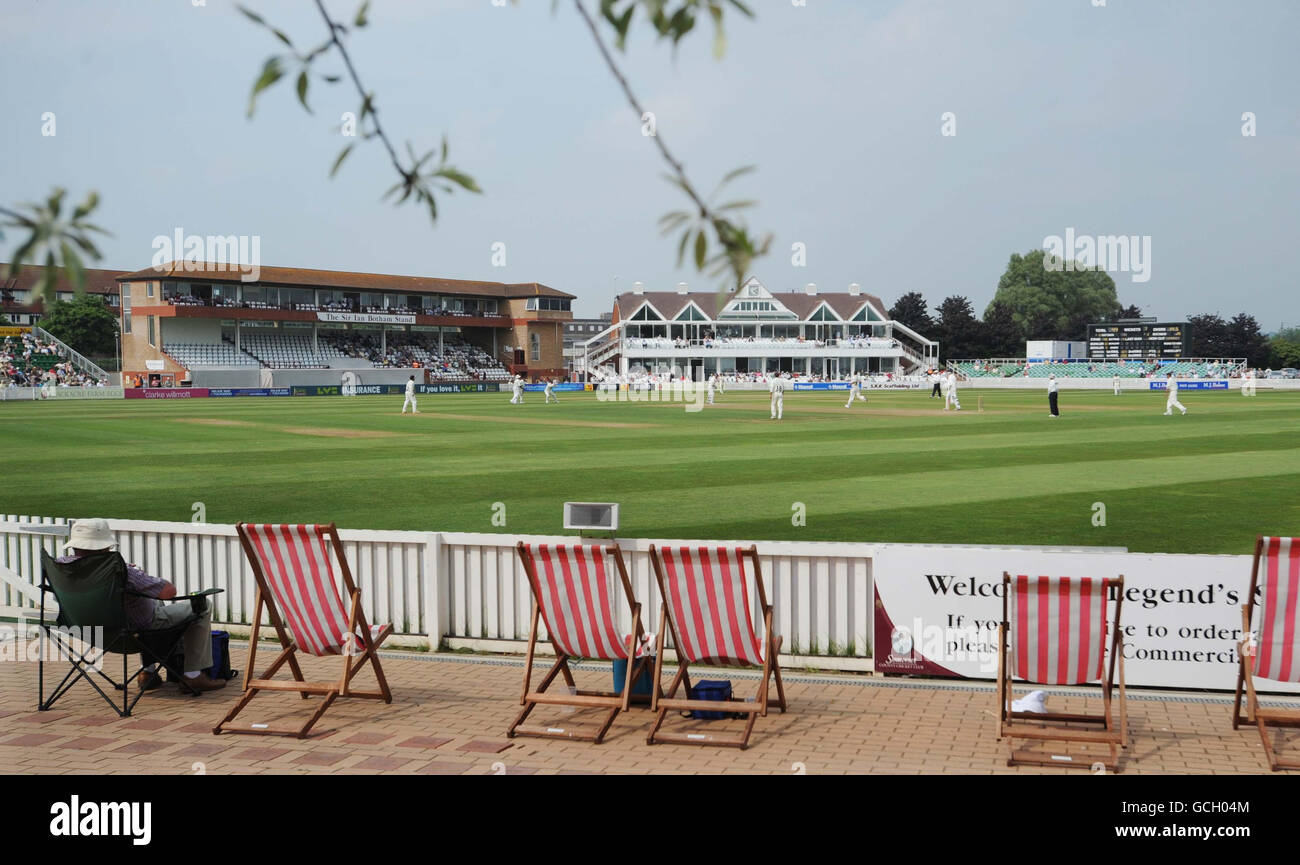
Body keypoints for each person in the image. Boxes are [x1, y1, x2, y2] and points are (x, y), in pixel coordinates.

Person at [56, 519, 225, 692]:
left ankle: (148, 673)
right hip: (134, 633)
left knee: (151, 600)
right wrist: (138, 574)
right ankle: (193, 676)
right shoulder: (123, 572)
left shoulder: (60, 567)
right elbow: (169, 591)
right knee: (203, 604)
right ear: (103, 548)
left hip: (88, 630)